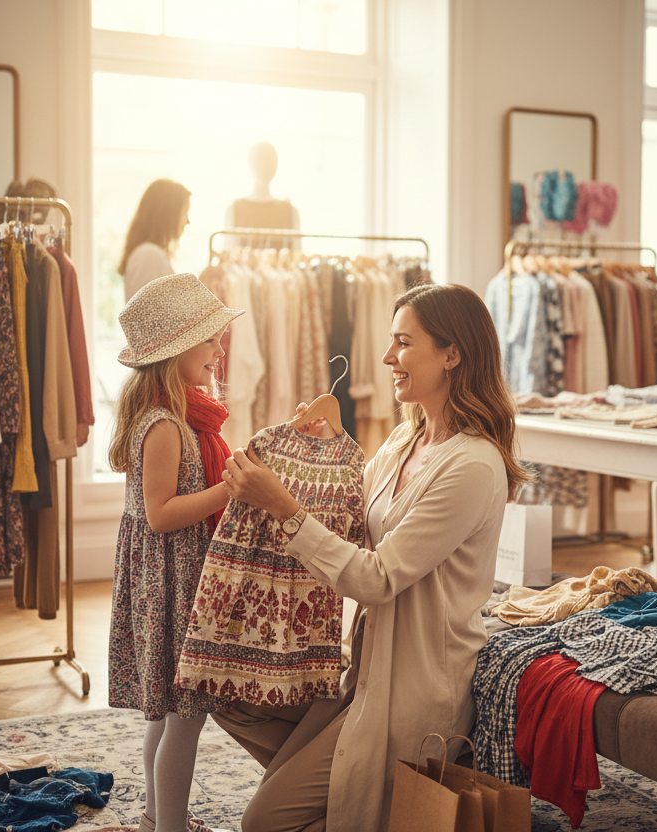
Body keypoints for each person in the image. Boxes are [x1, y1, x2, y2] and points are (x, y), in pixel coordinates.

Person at [214, 283, 530, 832]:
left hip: (412, 686)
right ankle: (344, 794)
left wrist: (281, 505)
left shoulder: (473, 466)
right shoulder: (405, 441)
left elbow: (377, 576)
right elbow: (355, 518)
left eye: (403, 343)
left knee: (263, 823)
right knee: (223, 691)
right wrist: (328, 450)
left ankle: (357, 802)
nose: (387, 358)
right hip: (358, 666)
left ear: (452, 354)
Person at [106, 273, 243, 832]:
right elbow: (162, 515)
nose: (219, 349)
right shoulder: (165, 426)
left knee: (168, 716)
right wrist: (231, 488)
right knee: (184, 717)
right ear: (177, 348)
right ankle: (169, 826)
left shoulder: (178, 418)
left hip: (173, 579)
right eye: (209, 338)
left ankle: (157, 818)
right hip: (172, 584)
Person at [120, 179, 192, 302]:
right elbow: (145, 316)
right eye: (185, 212)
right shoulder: (149, 255)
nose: (188, 221)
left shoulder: (151, 254)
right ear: (168, 214)